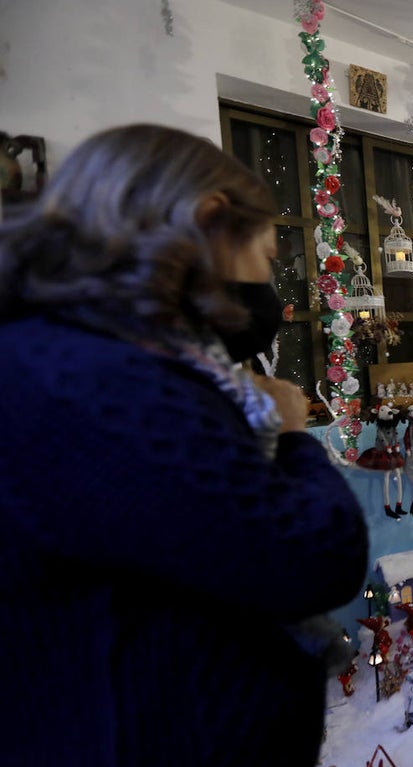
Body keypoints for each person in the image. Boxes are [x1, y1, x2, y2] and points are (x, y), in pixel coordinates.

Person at [0, 124, 369, 766]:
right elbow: (315, 555)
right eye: (266, 258)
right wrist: (289, 432)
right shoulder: (102, 385)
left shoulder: (68, 357)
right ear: (209, 222)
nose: (267, 283)